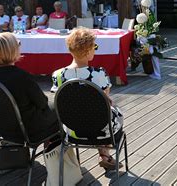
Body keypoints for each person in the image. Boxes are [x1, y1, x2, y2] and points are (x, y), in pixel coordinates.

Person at [51, 28, 124, 170]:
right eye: (94, 47)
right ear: (89, 50)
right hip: (101, 130)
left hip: (72, 130)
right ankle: (104, 153)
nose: (95, 50)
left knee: (88, 113)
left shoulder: (58, 75)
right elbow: (105, 101)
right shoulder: (99, 73)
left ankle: (104, 155)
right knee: (110, 112)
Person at [0, 32, 60, 143]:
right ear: (12, 50)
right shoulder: (21, 77)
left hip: (1, 128)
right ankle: (56, 156)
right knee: (58, 107)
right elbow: (42, 103)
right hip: (26, 131)